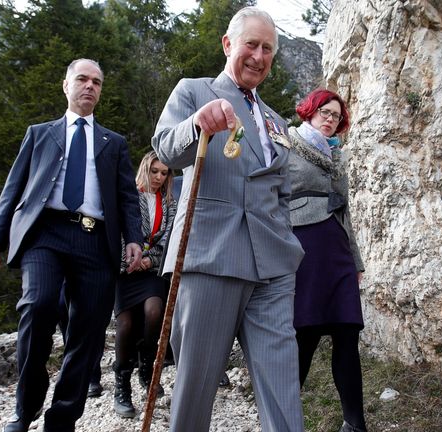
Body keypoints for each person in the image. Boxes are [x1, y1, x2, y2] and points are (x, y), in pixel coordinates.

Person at [152, 7, 305, 432]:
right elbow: (166, 150)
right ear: (228, 45)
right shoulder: (194, 91)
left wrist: (288, 245)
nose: (258, 56)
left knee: (282, 383)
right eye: (251, 45)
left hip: (272, 266)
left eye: (267, 49)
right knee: (196, 386)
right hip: (210, 255)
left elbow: (282, 192)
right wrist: (197, 124)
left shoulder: (277, 121)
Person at [0, 58, 142, 432]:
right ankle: (25, 410)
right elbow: (13, 188)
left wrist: (132, 238)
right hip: (45, 235)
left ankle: (63, 419)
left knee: (87, 332)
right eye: (82, 79)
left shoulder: (113, 143)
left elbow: (128, 197)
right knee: (37, 305)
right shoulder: (39, 134)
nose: (89, 86)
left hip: (95, 241)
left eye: (96, 82)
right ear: (65, 85)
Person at [288, 89, 367, 432]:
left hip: (338, 252)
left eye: (336, 116)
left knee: (348, 335)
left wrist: (357, 261)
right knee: (304, 336)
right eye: (325, 112)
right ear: (310, 111)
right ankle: (284, 419)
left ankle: (355, 423)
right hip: (304, 248)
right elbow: (274, 198)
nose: (331, 120)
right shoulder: (287, 145)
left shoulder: (339, 157)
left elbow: (344, 210)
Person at [111, 151, 176, 418]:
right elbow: (118, 231)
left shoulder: (169, 204)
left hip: (151, 270)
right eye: (155, 171)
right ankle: (121, 384)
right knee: (125, 324)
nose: (159, 177)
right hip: (125, 270)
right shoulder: (128, 197)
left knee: (154, 311)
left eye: (164, 173)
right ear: (145, 170)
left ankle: (147, 366)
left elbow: (169, 238)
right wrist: (129, 261)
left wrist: (149, 261)